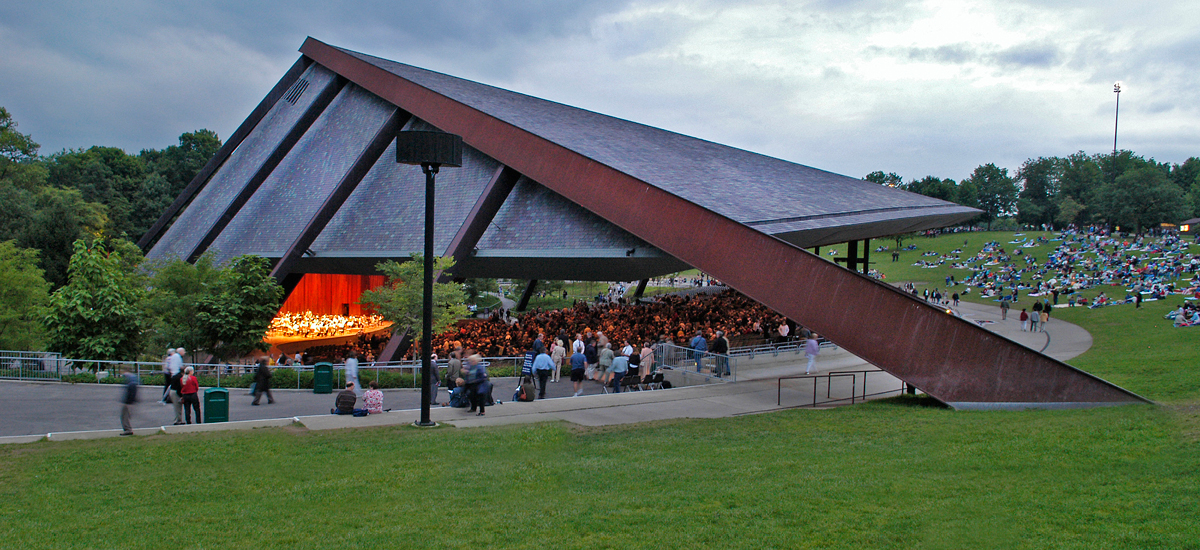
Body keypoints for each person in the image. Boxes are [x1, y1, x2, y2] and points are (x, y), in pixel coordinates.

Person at [119, 367, 138, 436]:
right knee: (126, 415)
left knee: (124, 416)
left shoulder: (130, 379)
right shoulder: (133, 378)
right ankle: (128, 429)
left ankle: (128, 430)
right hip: (130, 401)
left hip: (128, 402)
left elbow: (131, 391)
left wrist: (128, 402)